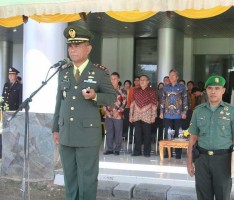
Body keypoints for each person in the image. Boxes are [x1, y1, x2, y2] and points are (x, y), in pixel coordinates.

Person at [52, 25, 116, 200]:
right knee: (70, 179)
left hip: (87, 135)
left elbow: (112, 97)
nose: (72, 50)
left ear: (88, 48)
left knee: (87, 179)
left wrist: (96, 96)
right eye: (70, 46)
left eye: (77, 46)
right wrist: (55, 128)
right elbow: (59, 102)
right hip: (66, 134)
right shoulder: (63, 73)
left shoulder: (99, 73)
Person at [187, 75, 234, 200]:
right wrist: (189, 163)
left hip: (223, 160)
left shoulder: (232, 112)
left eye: (217, 88)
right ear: (206, 90)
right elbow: (192, 139)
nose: (213, 91)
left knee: (223, 195)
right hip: (201, 159)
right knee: (202, 195)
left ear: (223, 90)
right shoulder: (198, 111)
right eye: (210, 88)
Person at [160, 69, 188, 159]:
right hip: (167, 114)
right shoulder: (165, 88)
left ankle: (178, 154)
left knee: (178, 134)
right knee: (167, 133)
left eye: (173, 75)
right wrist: (161, 112)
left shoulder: (182, 88)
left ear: (177, 77)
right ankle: (167, 153)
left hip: (178, 114)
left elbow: (185, 101)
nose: (171, 77)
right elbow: (162, 101)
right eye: (170, 75)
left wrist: (185, 112)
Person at [129, 75, 157, 157]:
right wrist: (131, 115)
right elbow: (132, 103)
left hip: (147, 115)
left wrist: (153, 116)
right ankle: (137, 151)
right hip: (137, 114)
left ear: (148, 82)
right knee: (137, 134)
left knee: (147, 134)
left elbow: (155, 104)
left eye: (144, 80)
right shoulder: (136, 90)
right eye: (141, 80)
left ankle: (147, 152)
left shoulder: (152, 91)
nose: (141, 81)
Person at [103, 72, 127, 156]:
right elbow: (104, 101)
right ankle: (109, 149)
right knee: (109, 132)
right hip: (108, 114)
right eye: (111, 79)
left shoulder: (123, 90)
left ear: (118, 79)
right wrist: (106, 111)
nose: (112, 80)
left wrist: (118, 111)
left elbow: (124, 103)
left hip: (118, 115)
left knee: (118, 133)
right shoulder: (106, 90)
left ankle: (117, 149)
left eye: (115, 79)